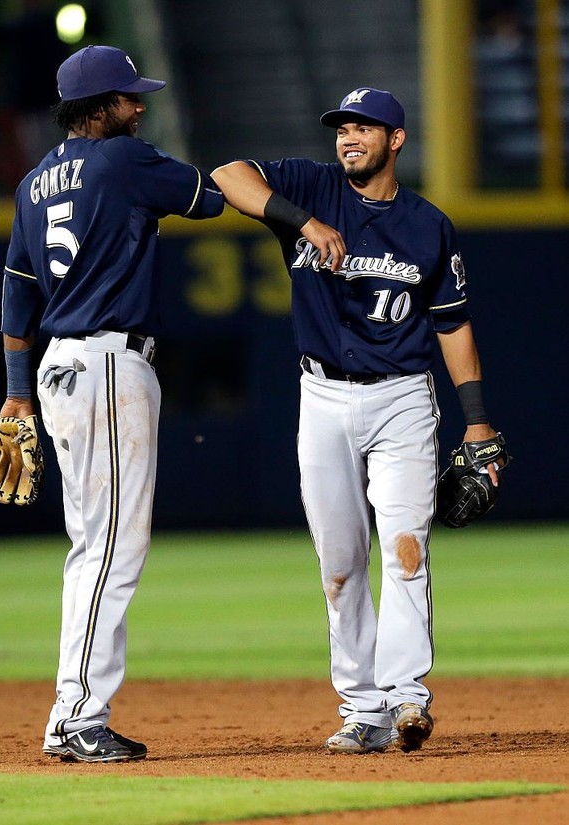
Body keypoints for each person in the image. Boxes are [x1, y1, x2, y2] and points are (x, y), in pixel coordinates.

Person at [211, 88, 503, 754]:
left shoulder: (429, 224)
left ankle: (407, 697)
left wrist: (478, 421)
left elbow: (452, 324)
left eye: (364, 128)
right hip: (322, 397)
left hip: (402, 397)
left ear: (396, 140)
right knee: (340, 563)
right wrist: (301, 221)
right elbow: (228, 176)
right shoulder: (311, 187)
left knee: (405, 550)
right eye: (342, 128)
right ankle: (363, 707)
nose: (348, 137)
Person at [0, 44, 223, 763]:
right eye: (128, 98)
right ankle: (77, 716)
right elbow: (207, 199)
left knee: (92, 547)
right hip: (106, 364)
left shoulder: (32, 184)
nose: (140, 106)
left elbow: (15, 293)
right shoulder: (123, 161)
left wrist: (14, 395)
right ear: (98, 110)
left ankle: (76, 707)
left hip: (60, 370)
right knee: (111, 549)